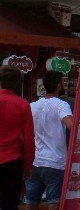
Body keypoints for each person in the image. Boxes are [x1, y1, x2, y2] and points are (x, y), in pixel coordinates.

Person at [26, 70, 71, 210]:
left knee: (31, 201)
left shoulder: (32, 105)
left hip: (36, 160)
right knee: (54, 202)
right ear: (58, 86)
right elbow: (71, 125)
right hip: (55, 162)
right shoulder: (61, 105)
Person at [0, 65, 33, 210]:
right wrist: (28, 166)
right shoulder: (23, 105)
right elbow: (29, 139)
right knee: (11, 203)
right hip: (13, 161)